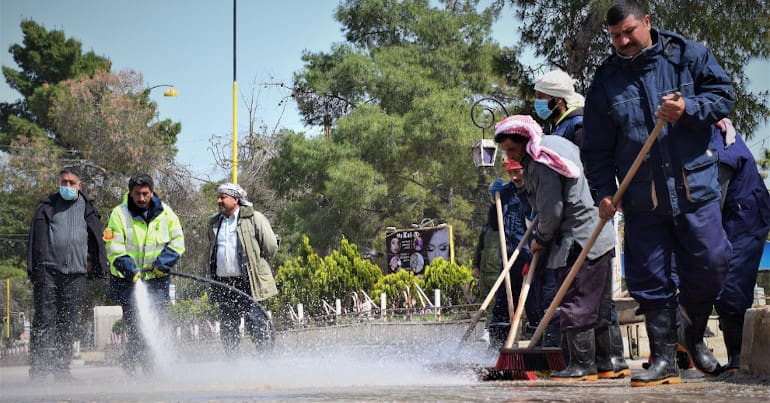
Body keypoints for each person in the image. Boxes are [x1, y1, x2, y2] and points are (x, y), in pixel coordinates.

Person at [582, 0, 734, 386]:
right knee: (649, 278)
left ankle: (692, 335)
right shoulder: (605, 80)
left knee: (712, 262)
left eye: (629, 31)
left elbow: (724, 96)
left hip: (694, 189)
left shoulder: (689, 55)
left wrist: (689, 107)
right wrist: (603, 191)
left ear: (647, 22)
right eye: (615, 36)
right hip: (641, 198)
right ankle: (664, 359)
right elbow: (597, 148)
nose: (623, 41)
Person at [495, 115, 623, 381]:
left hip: (579, 240)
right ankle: (608, 363)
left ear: (524, 140)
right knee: (599, 306)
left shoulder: (539, 163)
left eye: (512, 149)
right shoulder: (555, 144)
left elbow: (552, 212)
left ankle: (582, 365)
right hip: (599, 235)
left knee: (576, 304)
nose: (511, 156)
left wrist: (540, 238)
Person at [534, 68, 629, 374]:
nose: (537, 103)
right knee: (596, 298)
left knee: (583, 295)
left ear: (558, 102)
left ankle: (590, 362)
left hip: (585, 221)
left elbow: (585, 174)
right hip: (584, 221)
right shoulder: (561, 125)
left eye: (541, 98)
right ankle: (609, 361)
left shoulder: (578, 126)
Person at [26, 167, 108, 381]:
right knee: (44, 320)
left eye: (72, 183)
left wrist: (92, 259)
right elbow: (36, 240)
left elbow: (95, 238)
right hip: (49, 272)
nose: (68, 187)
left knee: (68, 322)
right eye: (64, 182)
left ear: (79, 186)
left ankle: (62, 369)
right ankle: (39, 370)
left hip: (77, 275)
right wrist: (38, 268)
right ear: (59, 183)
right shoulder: (47, 206)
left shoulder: (87, 209)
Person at [106, 174, 185, 374]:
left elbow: (178, 242)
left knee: (156, 322)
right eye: (137, 194)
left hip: (157, 280)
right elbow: (113, 247)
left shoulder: (166, 214)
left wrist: (163, 264)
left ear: (152, 191)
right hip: (128, 282)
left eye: (145, 194)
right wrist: (130, 270)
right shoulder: (118, 214)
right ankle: (140, 364)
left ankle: (142, 365)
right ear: (130, 193)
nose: (141, 199)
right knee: (137, 326)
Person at [712, 119, 770, 371]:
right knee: (724, 286)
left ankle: (738, 359)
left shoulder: (716, 144)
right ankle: (736, 358)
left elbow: (713, 201)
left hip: (746, 220)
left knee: (731, 286)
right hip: (737, 218)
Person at [208, 183, 279, 358]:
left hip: (249, 283)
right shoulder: (214, 223)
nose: (219, 201)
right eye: (219, 197)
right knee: (228, 329)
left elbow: (270, 247)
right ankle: (233, 367)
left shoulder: (255, 218)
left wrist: (256, 264)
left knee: (256, 324)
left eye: (223, 197)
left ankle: (266, 363)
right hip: (224, 284)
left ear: (235, 199)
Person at [533, 69, 585, 147]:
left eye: (540, 97)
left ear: (558, 100)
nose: (537, 102)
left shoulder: (580, 127)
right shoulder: (551, 129)